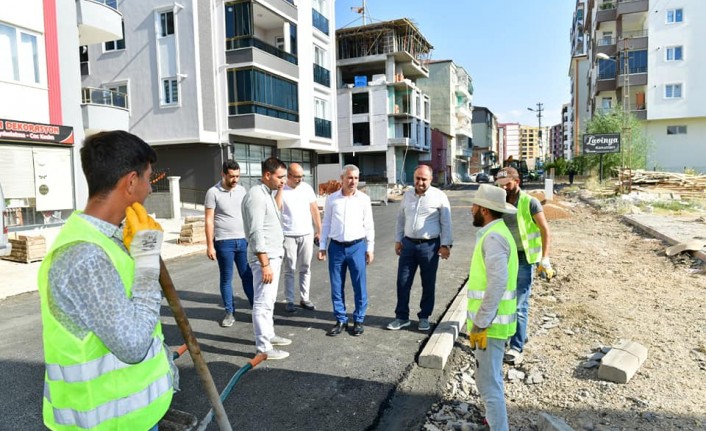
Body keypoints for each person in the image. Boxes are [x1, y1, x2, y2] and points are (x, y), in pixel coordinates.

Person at [38, 130, 174, 430]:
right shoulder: (85, 256)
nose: (150, 189)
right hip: (105, 423)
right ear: (130, 182)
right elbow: (133, 345)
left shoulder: (107, 240)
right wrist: (148, 261)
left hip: (133, 417)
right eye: (148, 179)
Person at [466, 184, 519, 431]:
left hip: (491, 326)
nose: (471, 209)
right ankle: (493, 421)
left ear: (485, 210)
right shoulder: (497, 231)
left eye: (475, 205)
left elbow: (497, 284)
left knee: (488, 384)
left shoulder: (494, 237)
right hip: (495, 324)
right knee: (491, 379)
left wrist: (480, 322)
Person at [494, 167, 553, 365]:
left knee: (519, 303)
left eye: (507, 184)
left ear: (517, 182)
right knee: (504, 301)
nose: (504, 188)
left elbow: (545, 230)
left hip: (524, 258)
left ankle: (516, 347)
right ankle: (506, 336)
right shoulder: (499, 201)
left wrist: (545, 258)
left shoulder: (530, 202)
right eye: (500, 185)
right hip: (504, 257)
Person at [387, 165, 453, 332]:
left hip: (429, 246)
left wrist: (446, 245)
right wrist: (398, 240)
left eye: (424, 179)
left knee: (428, 283)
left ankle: (424, 317)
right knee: (402, 281)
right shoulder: (408, 195)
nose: (420, 182)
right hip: (408, 245)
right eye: (417, 178)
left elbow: (446, 222)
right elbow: (401, 219)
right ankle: (401, 317)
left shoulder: (439, 196)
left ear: (430, 179)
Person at [241, 157, 291, 360]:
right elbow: (255, 232)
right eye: (280, 177)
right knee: (262, 302)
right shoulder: (256, 196)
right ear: (267, 175)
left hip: (272, 255)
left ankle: (269, 335)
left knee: (269, 300)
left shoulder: (266, 193)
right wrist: (265, 263)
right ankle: (263, 347)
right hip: (265, 258)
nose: (283, 181)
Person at [318, 165, 375, 337]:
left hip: (357, 247)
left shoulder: (364, 199)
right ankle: (341, 319)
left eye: (356, 178)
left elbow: (369, 225)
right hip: (336, 247)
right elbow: (326, 223)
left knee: (359, 285)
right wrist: (322, 246)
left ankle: (358, 319)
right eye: (350, 178)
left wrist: (370, 248)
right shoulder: (332, 199)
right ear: (342, 178)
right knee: (336, 285)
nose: (353, 181)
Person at [205, 160, 254, 327]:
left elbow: (248, 215)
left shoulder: (242, 190)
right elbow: (209, 220)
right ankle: (229, 312)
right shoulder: (213, 192)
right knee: (226, 278)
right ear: (223, 174)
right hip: (223, 241)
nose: (235, 180)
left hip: (243, 241)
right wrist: (210, 245)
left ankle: (256, 310)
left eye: (237, 176)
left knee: (247, 276)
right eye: (232, 176)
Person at [276, 162, 322, 312]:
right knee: (289, 269)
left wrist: (319, 230)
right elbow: (276, 209)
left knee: (306, 267)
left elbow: (314, 210)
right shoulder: (281, 190)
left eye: (302, 176)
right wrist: (281, 189)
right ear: (288, 176)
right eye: (296, 177)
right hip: (288, 234)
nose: (300, 179)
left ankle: (305, 298)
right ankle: (289, 300)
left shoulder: (307, 188)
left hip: (306, 234)